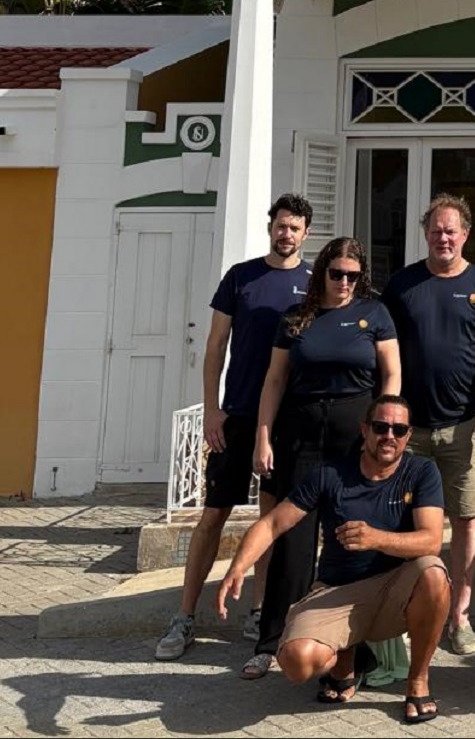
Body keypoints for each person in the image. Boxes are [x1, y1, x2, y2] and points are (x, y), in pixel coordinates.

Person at [216, 395, 448, 724]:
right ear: (364, 430)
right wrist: (237, 568)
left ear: (409, 435)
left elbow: (432, 540)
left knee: (434, 573)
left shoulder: (421, 471)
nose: (389, 436)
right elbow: (272, 523)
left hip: (394, 590)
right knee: (297, 663)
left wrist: (376, 538)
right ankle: (348, 660)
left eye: (399, 429)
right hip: (338, 590)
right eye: (381, 427)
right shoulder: (330, 474)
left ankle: (418, 681)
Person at [155, 194, 312, 661]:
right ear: (271, 228)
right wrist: (211, 409)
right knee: (212, 515)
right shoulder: (241, 277)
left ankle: (259, 612)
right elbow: (215, 346)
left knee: (269, 519)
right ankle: (184, 616)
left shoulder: (313, 284)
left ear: (306, 233)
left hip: (285, 421)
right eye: (281, 225)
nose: (286, 234)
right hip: (238, 414)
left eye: (295, 228)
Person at [248, 237, 401, 680]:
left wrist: (388, 433)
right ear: (322, 273)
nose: (345, 283)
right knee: (293, 541)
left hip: (356, 439)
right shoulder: (297, 318)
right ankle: (272, 640)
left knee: (351, 539)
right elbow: (274, 381)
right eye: (337, 274)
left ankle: (353, 647)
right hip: (301, 435)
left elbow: (391, 376)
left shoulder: (375, 314)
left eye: (354, 275)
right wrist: (263, 436)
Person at [382, 194, 475, 657]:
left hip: (462, 428)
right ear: (426, 234)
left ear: (465, 235)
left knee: (465, 518)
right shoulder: (402, 284)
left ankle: (459, 616)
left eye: (451, 230)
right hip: (407, 431)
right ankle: (402, 614)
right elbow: (384, 352)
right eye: (436, 230)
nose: (443, 238)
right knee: (400, 518)